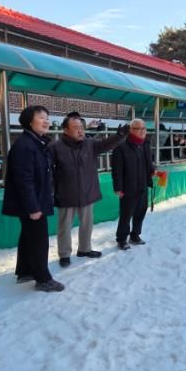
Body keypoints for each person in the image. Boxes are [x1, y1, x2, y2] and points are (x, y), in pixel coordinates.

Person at [49, 112, 128, 267]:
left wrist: (119, 135)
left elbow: (106, 144)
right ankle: (64, 254)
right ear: (65, 130)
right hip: (66, 194)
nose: (80, 131)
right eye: (76, 128)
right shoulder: (55, 147)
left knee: (87, 223)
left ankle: (84, 249)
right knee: (64, 227)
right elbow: (48, 171)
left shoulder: (90, 144)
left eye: (82, 127)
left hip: (87, 192)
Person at [2, 105, 64, 292]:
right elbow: (24, 180)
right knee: (38, 240)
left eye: (47, 117)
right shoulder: (25, 146)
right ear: (30, 122)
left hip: (36, 200)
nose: (46, 121)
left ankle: (25, 271)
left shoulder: (38, 143)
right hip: (32, 203)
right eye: (41, 117)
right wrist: (33, 207)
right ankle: (43, 278)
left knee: (29, 236)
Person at [112, 118, 155, 250]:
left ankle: (135, 235)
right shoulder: (121, 148)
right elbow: (117, 171)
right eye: (138, 129)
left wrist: (153, 171)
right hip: (128, 188)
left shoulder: (145, 145)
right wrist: (118, 188)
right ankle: (121, 239)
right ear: (131, 130)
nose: (142, 131)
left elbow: (148, 162)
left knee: (140, 212)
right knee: (126, 215)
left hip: (143, 185)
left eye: (144, 129)